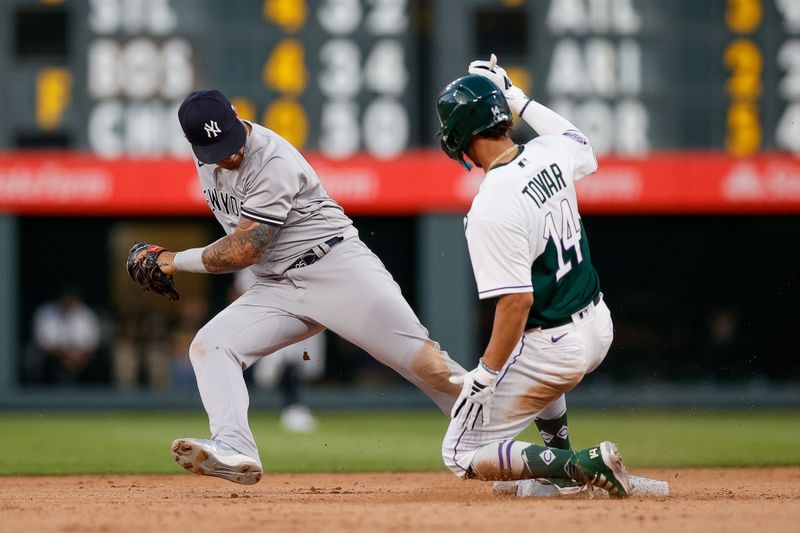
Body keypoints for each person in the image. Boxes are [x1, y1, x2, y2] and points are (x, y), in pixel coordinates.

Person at [140, 90, 465, 485]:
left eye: (229, 141)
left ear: (237, 116)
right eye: (215, 148)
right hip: (275, 285)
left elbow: (246, 247)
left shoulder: (272, 158)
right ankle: (234, 445)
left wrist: (174, 261)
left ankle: (513, 434)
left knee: (429, 368)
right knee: (210, 346)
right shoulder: (206, 152)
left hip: (335, 268)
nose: (228, 155)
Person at [435, 55, 631, 497]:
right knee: (531, 366)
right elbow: (582, 145)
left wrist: (483, 377)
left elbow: (517, 303)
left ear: (460, 138)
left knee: (460, 453)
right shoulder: (550, 151)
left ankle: (579, 466)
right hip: (599, 326)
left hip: (552, 346)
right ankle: (560, 475)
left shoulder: (492, 204)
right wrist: (518, 98)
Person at [231, 268, 324, 433]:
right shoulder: (251, 267)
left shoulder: (301, 258)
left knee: (300, 365)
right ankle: (291, 407)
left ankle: (294, 408)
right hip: (266, 321)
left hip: (301, 316)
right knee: (274, 369)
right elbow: (239, 293)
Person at [29, 286, 102, 384]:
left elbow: (92, 343)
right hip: (52, 359)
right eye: (66, 300)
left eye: (72, 300)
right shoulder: (46, 312)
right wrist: (64, 356)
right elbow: (43, 343)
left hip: (81, 361)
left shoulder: (86, 314)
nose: (69, 303)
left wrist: (79, 359)